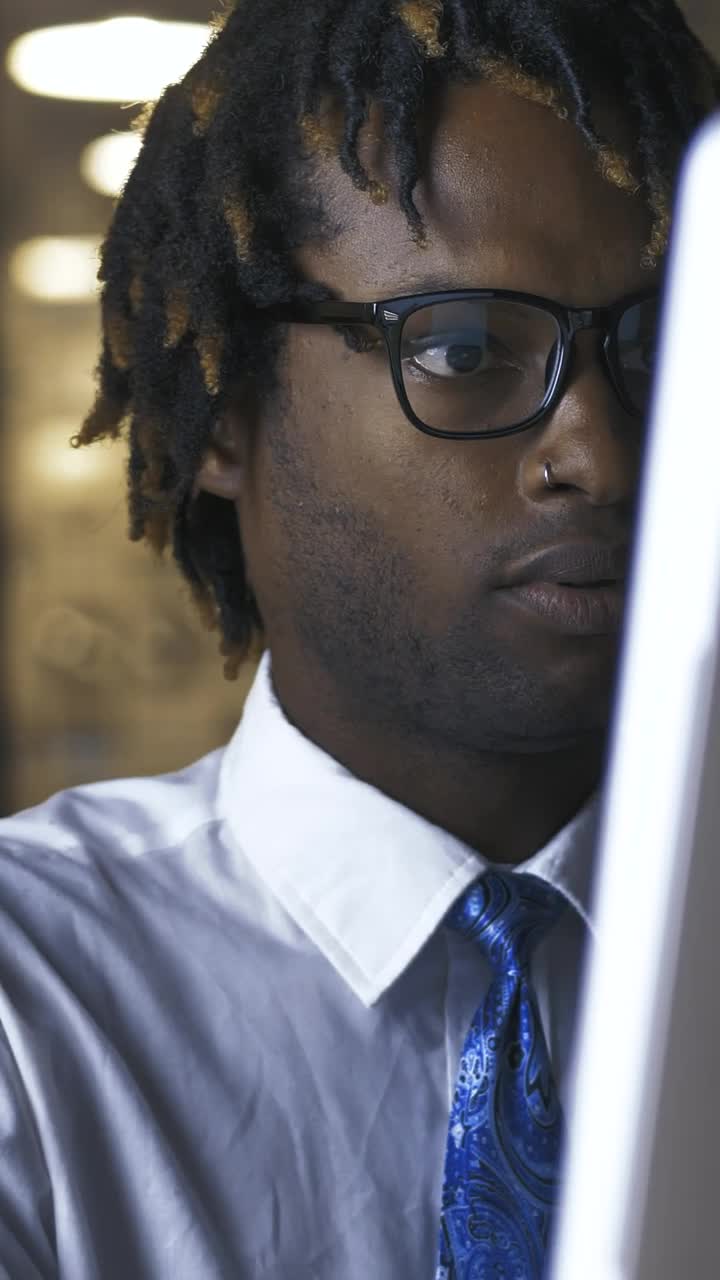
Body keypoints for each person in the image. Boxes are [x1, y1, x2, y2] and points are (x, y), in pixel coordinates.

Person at [2, 1, 718, 1277]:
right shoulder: (31, 1003)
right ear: (224, 406)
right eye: (461, 349)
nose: (603, 456)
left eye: (659, 349)